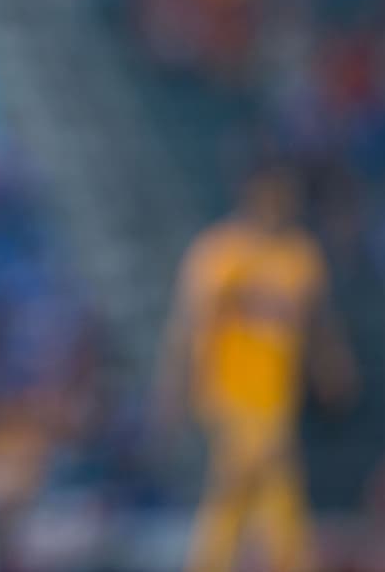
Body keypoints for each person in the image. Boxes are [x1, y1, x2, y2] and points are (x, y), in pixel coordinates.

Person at [154, 163, 357, 572]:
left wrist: (334, 369)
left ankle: (221, 562)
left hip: (276, 393)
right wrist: (173, 391)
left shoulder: (300, 256)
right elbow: (188, 328)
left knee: (250, 489)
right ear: (250, 195)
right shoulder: (219, 252)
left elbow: (316, 324)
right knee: (262, 475)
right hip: (228, 392)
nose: (278, 204)